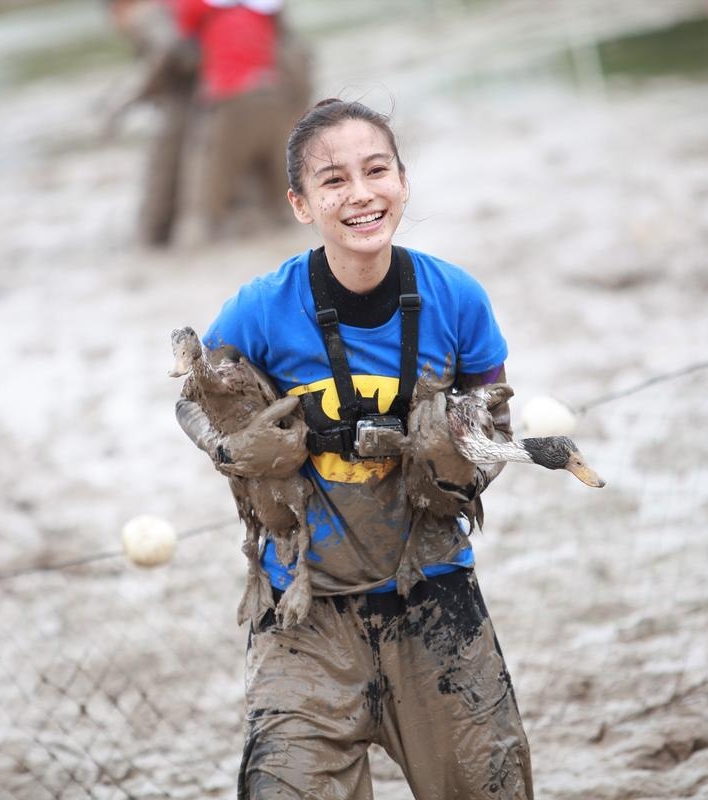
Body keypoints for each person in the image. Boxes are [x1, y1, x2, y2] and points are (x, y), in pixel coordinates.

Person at [174, 98, 534, 799]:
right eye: (334, 180)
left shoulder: (457, 298)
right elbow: (194, 401)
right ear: (301, 204)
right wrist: (235, 449)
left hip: (436, 601)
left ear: (403, 180)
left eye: (376, 171)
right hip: (304, 615)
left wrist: (464, 451)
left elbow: (495, 422)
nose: (361, 194)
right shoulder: (259, 307)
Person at [173, 0, 312, 245]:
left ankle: (184, 264)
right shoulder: (265, 8)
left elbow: (181, 42)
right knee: (287, 201)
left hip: (231, 103)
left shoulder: (195, 6)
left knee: (203, 210)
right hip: (273, 95)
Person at [101, 0, 199, 247]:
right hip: (203, 98)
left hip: (183, 104)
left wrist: (139, 93)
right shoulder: (165, 9)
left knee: (160, 184)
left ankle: (152, 244)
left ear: (117, 9)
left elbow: (168, 47)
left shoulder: (143, 15)